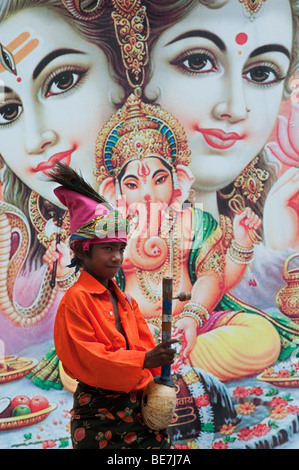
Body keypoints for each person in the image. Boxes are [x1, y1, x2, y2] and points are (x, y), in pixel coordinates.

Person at [0, 0, 126, 381]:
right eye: (6, 112)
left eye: (62, 81)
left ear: (124, 73)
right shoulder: (18, 247)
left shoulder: (163, 208)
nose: (38, 138)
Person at [50, 162, 176, 449]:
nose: (118, 257)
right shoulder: (75, 301)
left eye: (120, 248)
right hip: (98, 415)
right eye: (108, 248)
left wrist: (160, 381)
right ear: (84, 250)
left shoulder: (126, 300)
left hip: (138, 409)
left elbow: (144, 346)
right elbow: (90, 357)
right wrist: (144, 361)